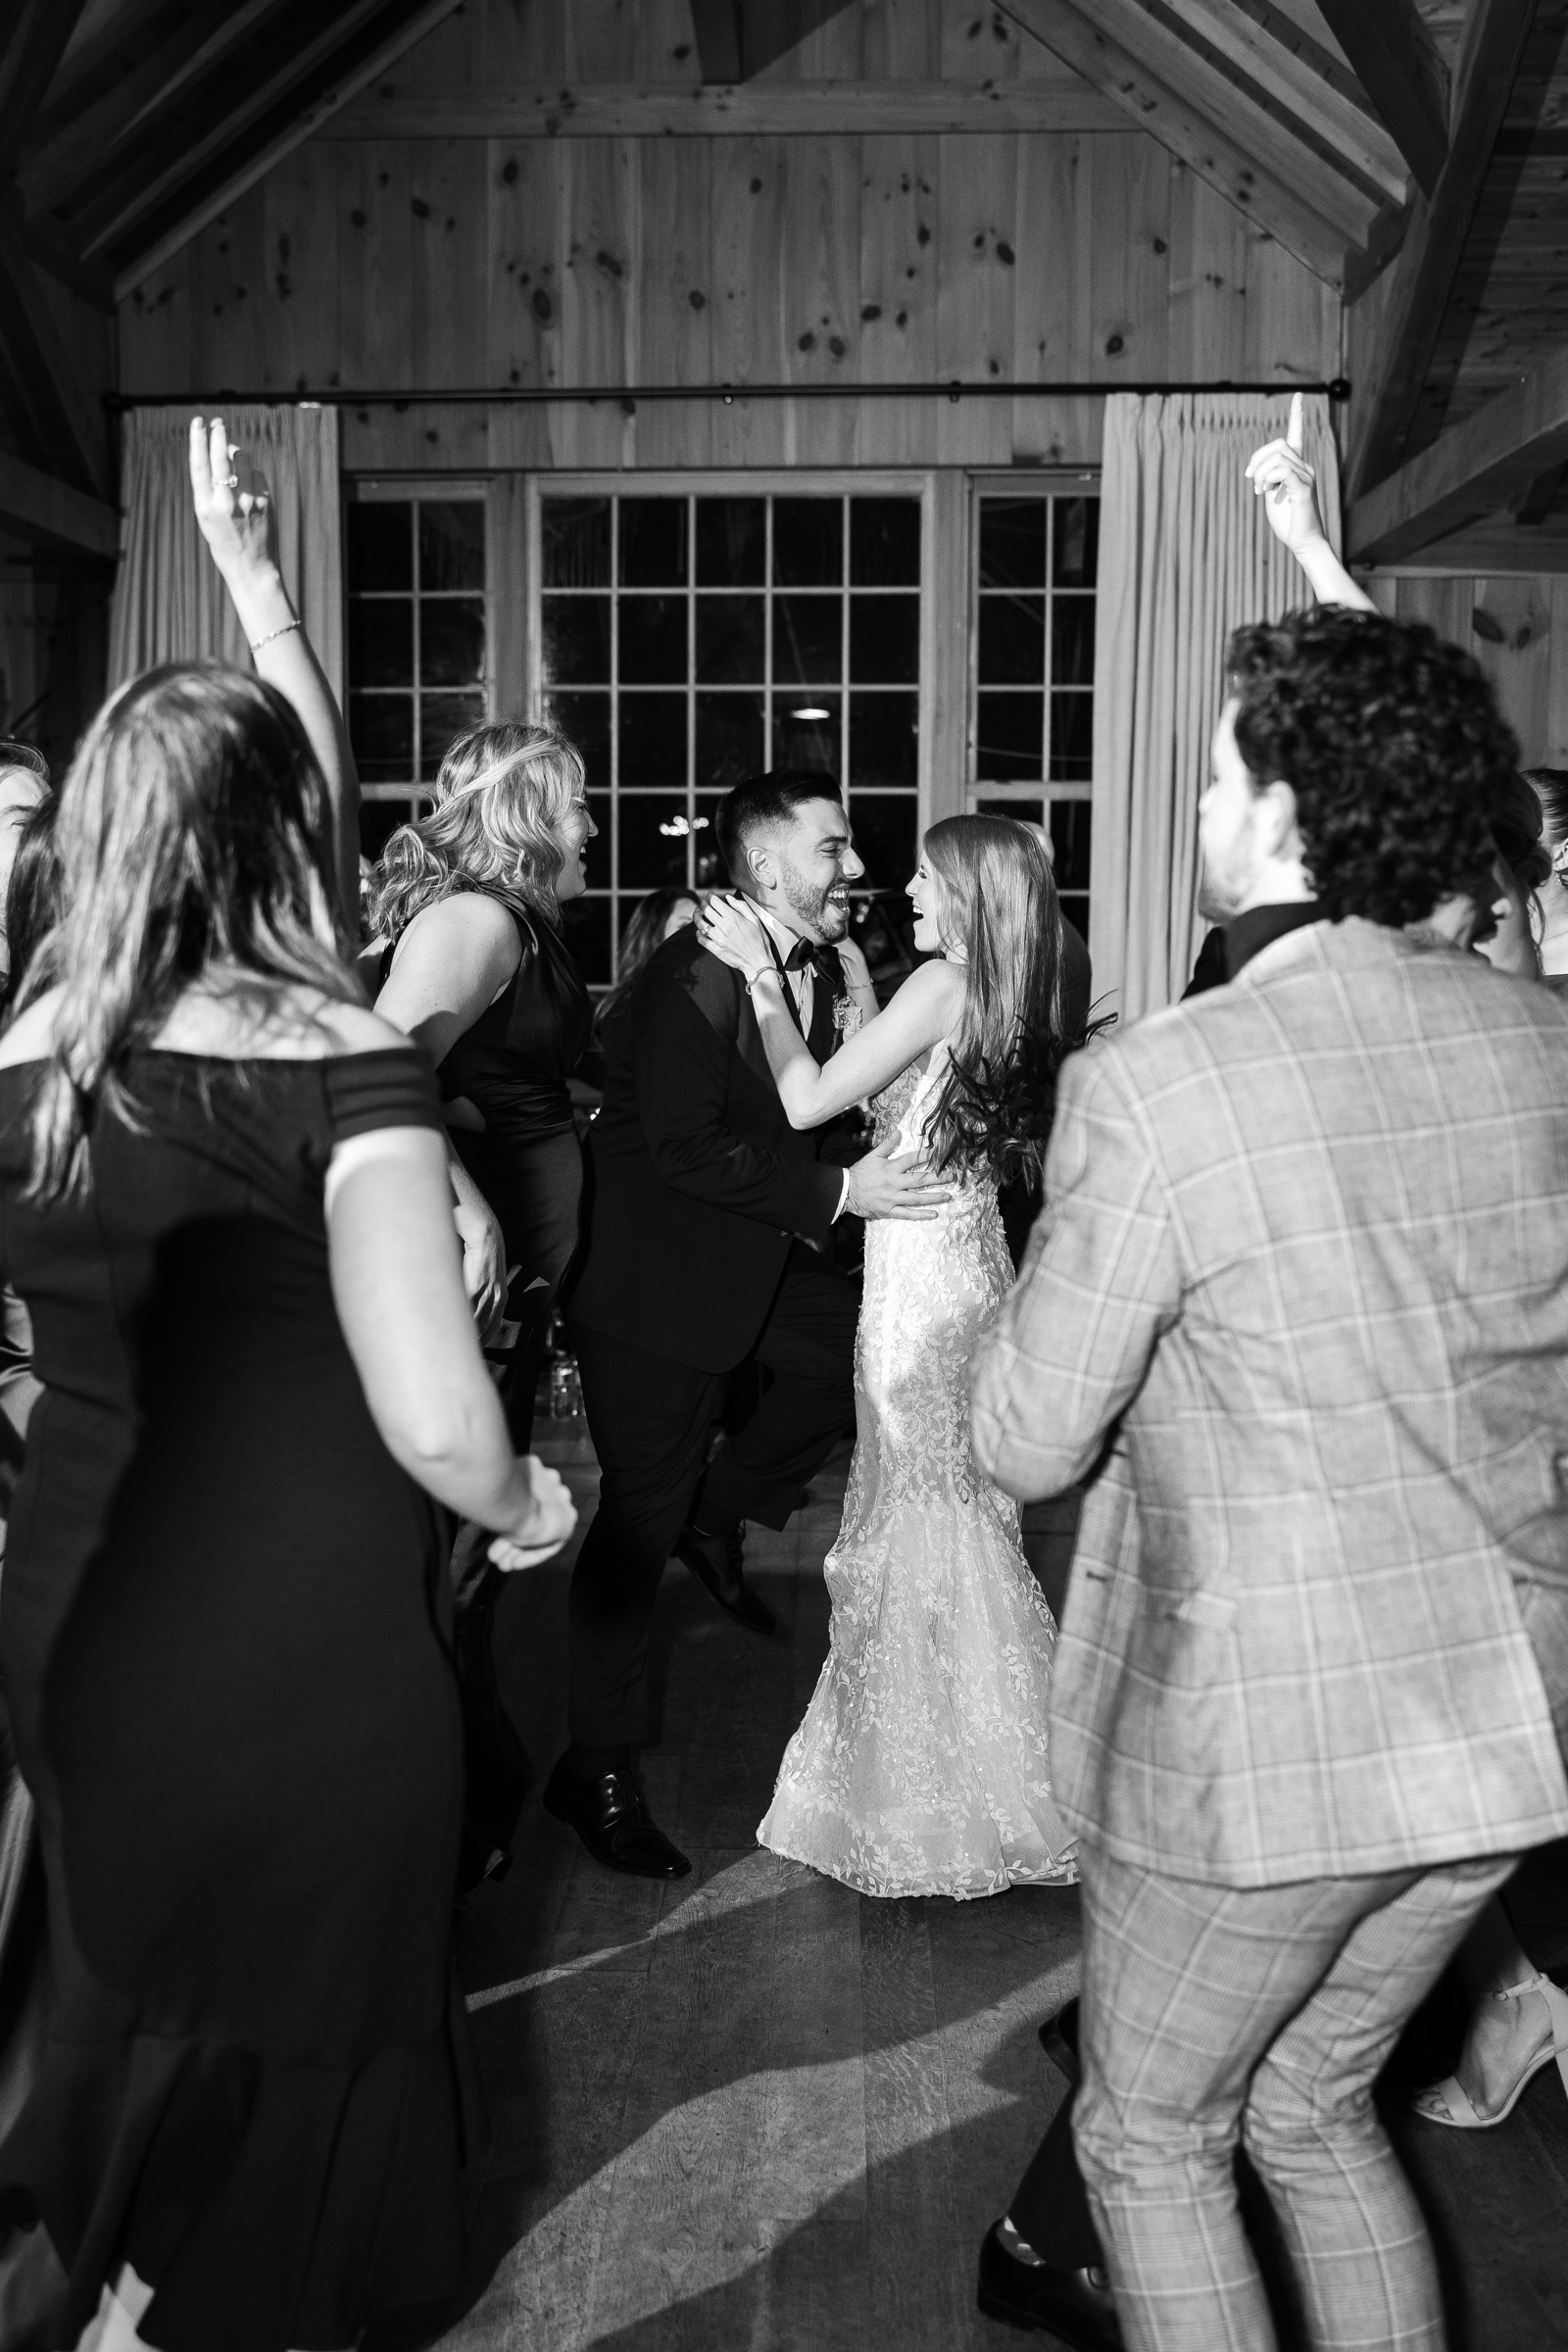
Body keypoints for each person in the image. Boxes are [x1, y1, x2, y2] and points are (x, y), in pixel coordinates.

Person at [969, 595, 1568, 2352]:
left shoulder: (1165, 1081)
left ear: (1294, 808)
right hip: (1514, 1722)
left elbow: (1025, 1436)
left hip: (1271, 1746)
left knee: (1154, 2136)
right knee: (1315, 2110)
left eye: (1223, 770)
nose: (1203, 804)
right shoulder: (1548, 1045)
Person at [0, 647, 576, 2351]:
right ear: (286, 834)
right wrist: (529, 1496)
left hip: (81, 1594)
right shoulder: (334, 1054)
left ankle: (106, 2281)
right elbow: (432, 1413)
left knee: (135, 1980)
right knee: (318, 2009)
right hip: (306, 1629)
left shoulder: (32, 1040)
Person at [556, 770, 950, 1881]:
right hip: (656, 1287)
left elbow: (809, 1102)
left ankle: (715, 1514)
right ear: (766, 866)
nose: (857, 868)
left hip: (765, 1258)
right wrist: (839, 1197)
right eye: (833, 849)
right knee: (635, 1521)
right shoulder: (694, 974)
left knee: (846, 1369)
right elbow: (681, 1148)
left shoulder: (818, 964)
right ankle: (598, 1769)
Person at [699, 816, 1081, 1898]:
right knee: (952, 1513)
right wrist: (864, 987)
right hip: (963, 1261)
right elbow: (899, 1103)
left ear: (966, 891)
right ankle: (980, 1772)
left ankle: (931, 1799)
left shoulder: (944, 983)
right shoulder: (1008, 987)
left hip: (919, 1288)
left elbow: (808, 1101)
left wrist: (765, 982)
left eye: (923, 872)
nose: (903, 884)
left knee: (920, 1514)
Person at [369, 721, 596, 1451]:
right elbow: (379, 1072)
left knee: (480, 1499)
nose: (591, 826)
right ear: (526, 817)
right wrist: (473, 1218)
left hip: (518, 1261)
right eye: (577, 807)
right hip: (465, 1257)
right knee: (454, 1497)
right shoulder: (476, 920)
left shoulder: (520, 924)